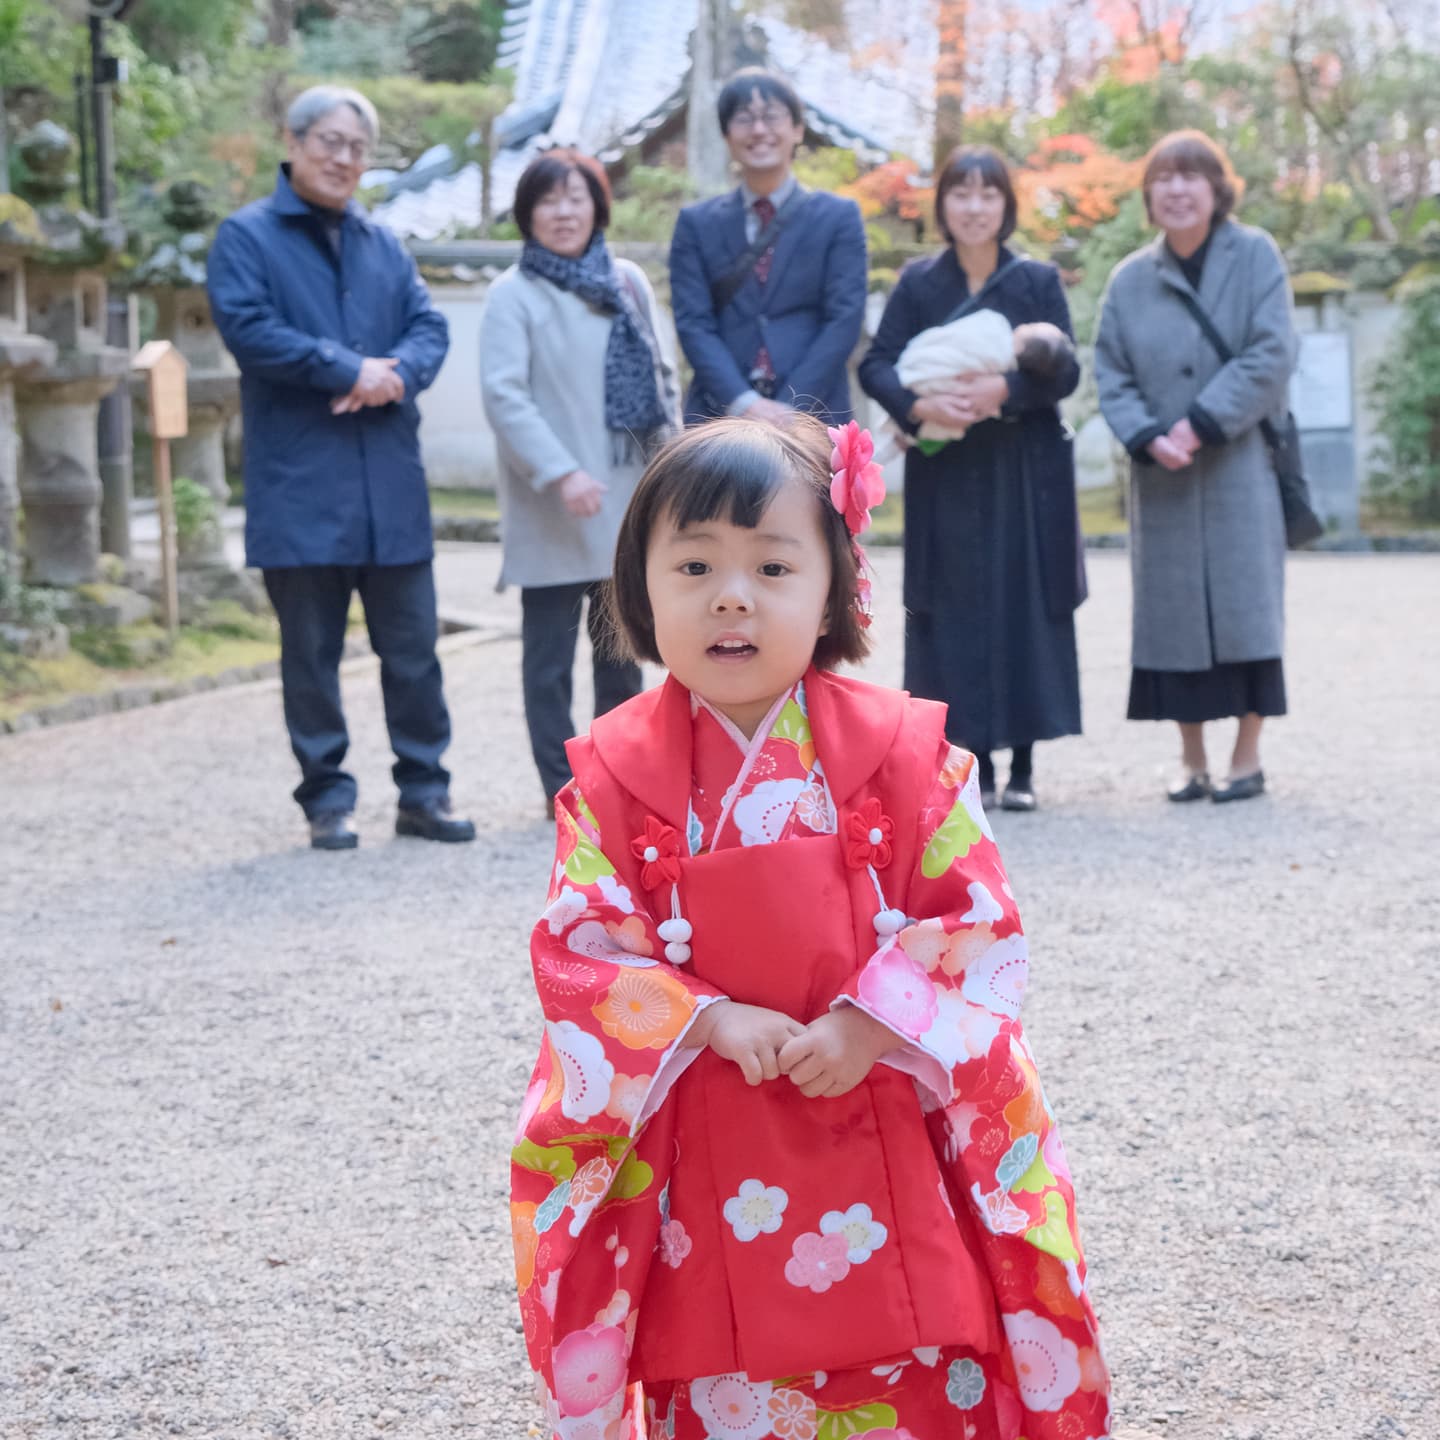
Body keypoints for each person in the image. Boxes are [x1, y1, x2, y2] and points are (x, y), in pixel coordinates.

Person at [510, 417, 1109, 1440]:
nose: (731, 595)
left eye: (773, 565)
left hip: (884, 1109)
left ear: (834, 588)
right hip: (708, 1121)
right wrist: (702, 1018)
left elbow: (975, 922)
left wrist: (873, 1024)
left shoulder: (907, 755)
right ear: (639, 590)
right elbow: (584, 948)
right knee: (725, 1371)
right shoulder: (610, 779)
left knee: (916, 1357)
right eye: (693, 564)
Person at [208, 84, 474, 850]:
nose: (344, 159)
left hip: (388, 479)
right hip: (300, 484)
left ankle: (424, 791)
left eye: (357, 147)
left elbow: (428, 324)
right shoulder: (247, 237)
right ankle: (326, 798)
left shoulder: (382, 242)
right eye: (329, 141)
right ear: (291, 143)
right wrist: (345, 367)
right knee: (312, 657)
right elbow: (249, 328)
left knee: (415, 652)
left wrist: (396, 374)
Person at [859, 146, 1086, 812]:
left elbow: (1065, 371)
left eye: (989, 194)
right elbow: (877, 363)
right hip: (947, 469)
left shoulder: (1036, 281)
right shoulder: (919, 283)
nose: (975, 206)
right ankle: (968, 762)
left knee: (1023, 600)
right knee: (953, 607)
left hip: (1022, 469)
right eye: (961, 193)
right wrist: (917, 406)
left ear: (1007, 205)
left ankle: (1023, 762)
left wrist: (1004, 391)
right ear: (943, 205)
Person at [1093, 130, 1295, 803]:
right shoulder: (1128, 280)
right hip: (1164, 477)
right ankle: (1191, 758)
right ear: (1149, 194)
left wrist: (1202, 422)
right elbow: (1111, 372)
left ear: (1217, 188)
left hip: (1239, 467)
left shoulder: (1256, 255)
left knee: (1250, 611)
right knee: (1172, 620)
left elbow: (1271, 353)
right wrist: (1148, 434)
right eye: (1164, 177)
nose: (1178, 189)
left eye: (1192, 176)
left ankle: (1246, 755)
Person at [481, 150, 679, 816]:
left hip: (626, 499)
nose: (564, 212)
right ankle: (557, 788)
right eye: (548, 200)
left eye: (577, 197)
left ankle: (614, 782)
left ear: (598, 204)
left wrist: (673, 467)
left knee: (620, 654)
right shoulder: (512, 294)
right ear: (527, 213)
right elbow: (504, 395)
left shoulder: (626, 281)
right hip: (552, 506)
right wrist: (561, 470)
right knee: (546, 660)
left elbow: (661, 379)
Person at [668, 67, 867, 427]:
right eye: (744, 118)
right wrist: (745, 403)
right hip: (721, 412)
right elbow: (693, 323)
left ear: (797, 129)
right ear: (727, 135)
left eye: (772, 116)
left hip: (814, 410)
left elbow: (844, 318)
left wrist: (791, 406)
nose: (759, 130)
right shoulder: (696, 224)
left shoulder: (838, 217)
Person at [891, 311, 1075, 446]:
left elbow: (1070, 376)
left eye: (1033, 327)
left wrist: (1005, 386)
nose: (1028, 324)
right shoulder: (999, 352)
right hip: (929, 387)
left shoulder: (996, 330)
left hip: (921, 371)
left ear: (1022, 346)